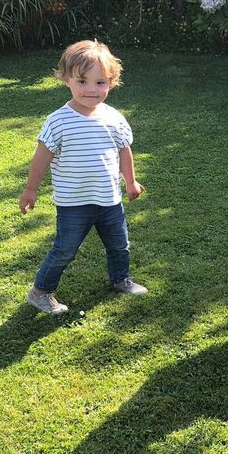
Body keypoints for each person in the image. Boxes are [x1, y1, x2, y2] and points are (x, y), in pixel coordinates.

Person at [19, 39, 147, 314]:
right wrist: (31, 189)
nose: (91, 89)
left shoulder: (114, 118)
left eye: (100, 83)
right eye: (82, 81)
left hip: (109, 199)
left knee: (119, 245)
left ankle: (121, 279)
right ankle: (40, 292)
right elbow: (41, 158)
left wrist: (130, 181)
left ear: (111, 82)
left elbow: (124, 152)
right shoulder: (58, 121)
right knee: (65, 249)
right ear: (66, 79)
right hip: (73, 203)